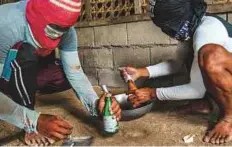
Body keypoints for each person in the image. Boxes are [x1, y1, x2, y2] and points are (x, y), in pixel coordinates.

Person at [0, 0, 121, 146]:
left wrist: (96, 104)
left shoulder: (67, 31)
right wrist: (33, 121)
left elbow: (75, 72)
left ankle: (25, 86)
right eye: (52, 32)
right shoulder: (6, 25)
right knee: (26, 52)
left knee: (63, 74)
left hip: (28, 66)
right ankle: (26, 118)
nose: (56, 39)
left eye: (60, 32)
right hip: (6, 70)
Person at [120, 0, 232, 144]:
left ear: (177, 19)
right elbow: (176, 64)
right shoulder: (192, 27)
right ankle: (208, 103)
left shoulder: (206, 32)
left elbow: (195, 89)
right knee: (195, 58)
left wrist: (152, 93)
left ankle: (229, 119)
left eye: (166, 26)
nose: (166, 31)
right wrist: (140, 72)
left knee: (209, 56)